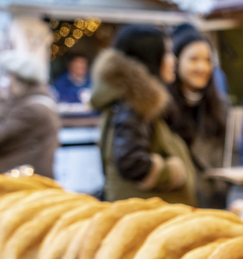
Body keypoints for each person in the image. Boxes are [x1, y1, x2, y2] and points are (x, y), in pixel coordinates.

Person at [90, 25, 195, 204]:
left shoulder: (131, 99)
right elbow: (131, 162)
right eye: (167, 52)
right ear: (150, 57)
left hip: (144, 212)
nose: (173, 60)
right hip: (145, 216)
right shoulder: (136, 103)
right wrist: (174, 172)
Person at [0, 50, 61, 177]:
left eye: (9, 77)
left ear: (18, 80)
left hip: (21, 184)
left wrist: (2, 105)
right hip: (25, 180)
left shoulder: (30, 110)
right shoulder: (36, 103)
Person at [166, 27, 227, 177]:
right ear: (176, 61)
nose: (202, 67)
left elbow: (229, 156)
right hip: (178, 195)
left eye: (207, 60)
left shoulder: (221, 106)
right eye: (193, 59)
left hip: (215, 195)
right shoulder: (163, 107)